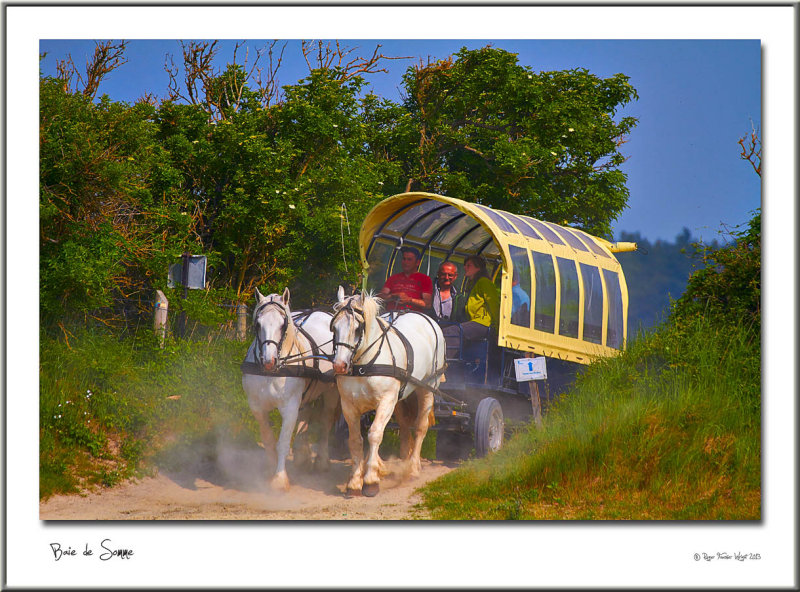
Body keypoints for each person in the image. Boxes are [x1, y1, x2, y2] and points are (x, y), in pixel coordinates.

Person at [443, 255, 500, 358]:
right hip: (474, 322)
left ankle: (444, 364)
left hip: (483, 324)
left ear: (478, 268)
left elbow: (494, 305)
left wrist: (497, 329)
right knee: (445, 328)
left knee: (452, 331)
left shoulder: (484, 282)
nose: (465, 267)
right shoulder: (472, 283)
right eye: (465, 265)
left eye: (469, 265)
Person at [378, 246, 433, 312]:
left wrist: (409, 300)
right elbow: (380, 297)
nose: (405, 262)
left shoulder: (425, 279)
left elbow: (427, 304)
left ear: (417, 262)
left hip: (412, 316)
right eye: (404, 259)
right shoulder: (393, 278)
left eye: (409, 259)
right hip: (391, 315)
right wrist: (392, 296)